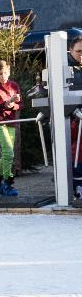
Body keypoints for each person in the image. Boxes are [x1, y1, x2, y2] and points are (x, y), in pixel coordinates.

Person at [0, 60, 21, 196]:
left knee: (7, 155)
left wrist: (13, 105)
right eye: (0, 74)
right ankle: (8, 183)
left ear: (9, 72)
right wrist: (6, 104)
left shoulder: (14, 85)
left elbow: (21, 104)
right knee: (8, 153)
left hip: (11, 122)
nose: (3, 76)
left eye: (5, 73)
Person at [69, 37, 82, 198]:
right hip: (73, 120)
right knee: (76, 154)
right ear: (70, 50)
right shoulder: (65, 68)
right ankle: (77, 188)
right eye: (79, 51)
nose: (81, 55)